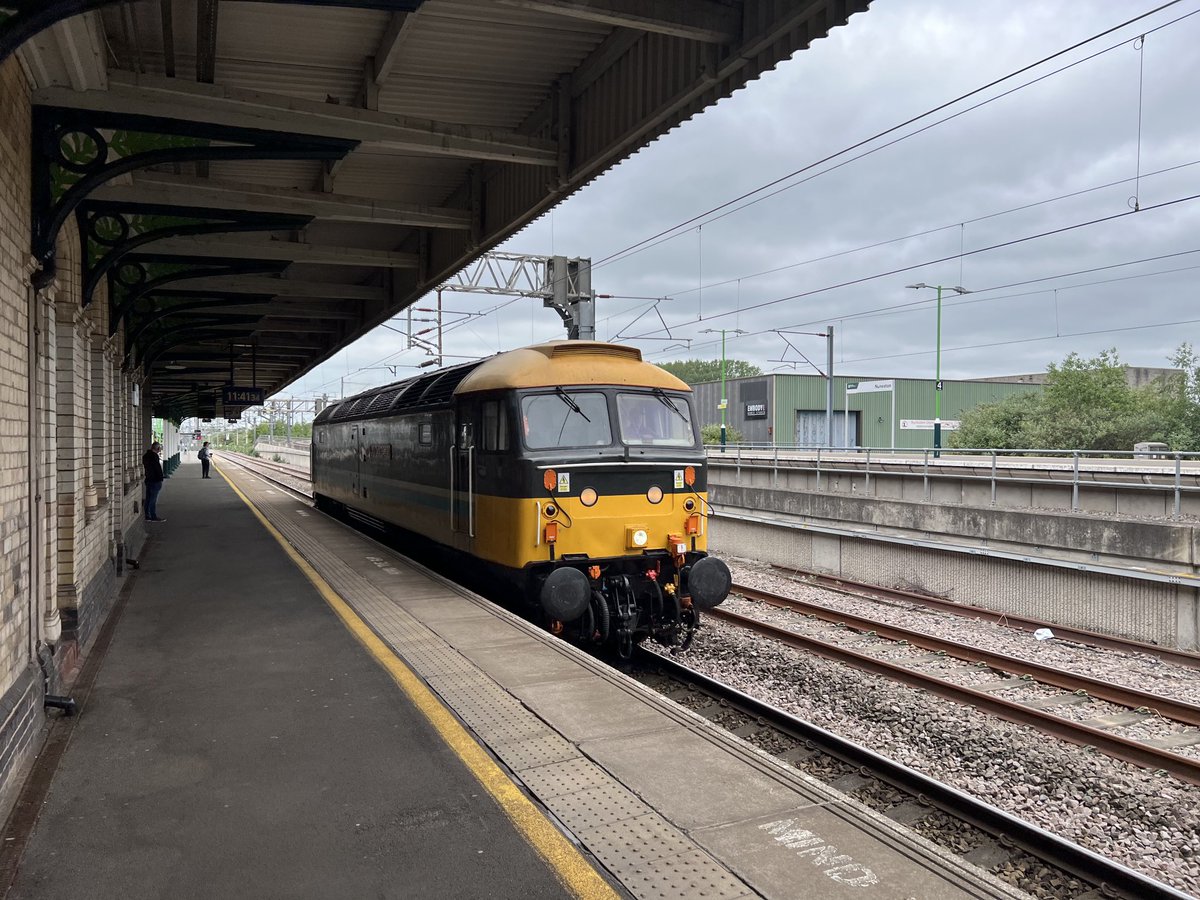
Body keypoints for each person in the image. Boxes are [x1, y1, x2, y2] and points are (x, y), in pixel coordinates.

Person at [142, 441, 165, 522]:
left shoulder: (146, 456)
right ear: (158, 448)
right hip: (155, 480)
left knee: (148, 498)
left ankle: (147, 515)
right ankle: (153, 516)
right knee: (153, 499)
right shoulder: (154, 456)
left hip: (148, 479)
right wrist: (161, 478)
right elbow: (157, 469)